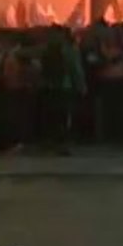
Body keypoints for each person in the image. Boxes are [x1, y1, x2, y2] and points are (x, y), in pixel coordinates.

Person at [39, 25, 85, 154]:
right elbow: (75, 69)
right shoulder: (69, 49)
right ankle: (63, 144)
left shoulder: (46, 48)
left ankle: (51, 142)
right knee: (64, 116)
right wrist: (81, 86)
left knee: (52, 116)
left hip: (50, 86)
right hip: (65, 86)